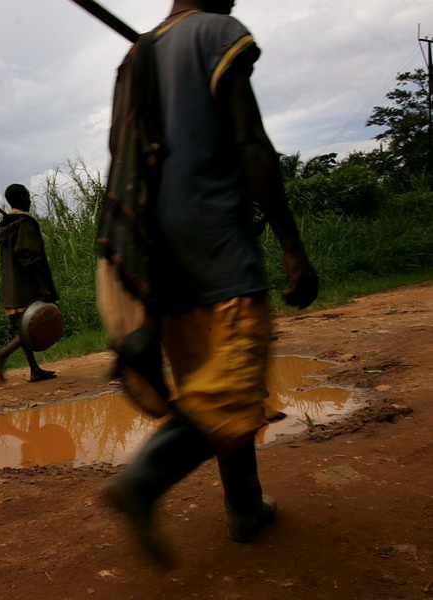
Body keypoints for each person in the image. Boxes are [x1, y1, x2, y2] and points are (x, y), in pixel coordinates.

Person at [100, 0, 319, 568]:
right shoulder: (218, 33)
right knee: (234, 389)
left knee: (207, 380)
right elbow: (250, 143)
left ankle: (245, 506)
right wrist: (292, 249)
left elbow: (119, 156)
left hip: (160, 258)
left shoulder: (137, 55)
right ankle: (143, 481)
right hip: (217, 243)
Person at [0, 184, 60, 383]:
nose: (30, 201)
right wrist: (42, 286)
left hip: (12, 285)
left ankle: (32, 368)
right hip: (26, 283)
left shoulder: (6, 225)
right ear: (20, 198)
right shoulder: (24, 224)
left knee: (25, 326)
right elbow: (29, 255)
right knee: (33, 324)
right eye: (27, 197)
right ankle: (2, 355)